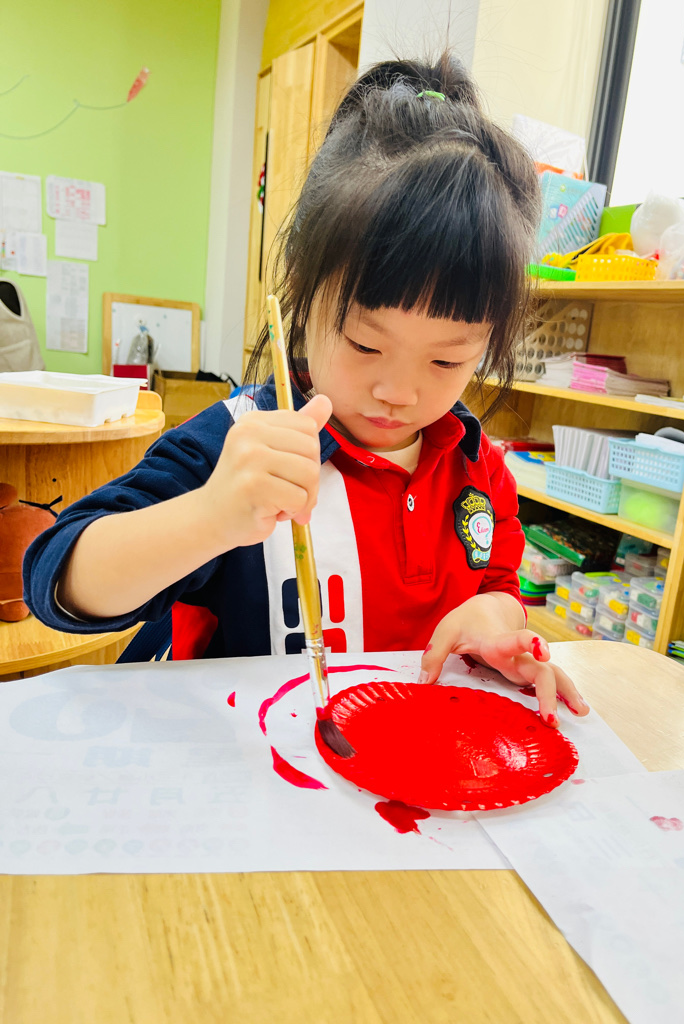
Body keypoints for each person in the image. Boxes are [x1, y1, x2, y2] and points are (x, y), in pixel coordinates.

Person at [24, 53, 589, 729]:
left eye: (447, 359)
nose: (397, 391)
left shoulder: (478, 468)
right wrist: (210, 517)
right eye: (365, 345)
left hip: (406, 764)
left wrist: (496, 620)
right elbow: (56, 580)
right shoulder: (240, 444)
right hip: (251, 762)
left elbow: (497, 584)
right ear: (301, 291)